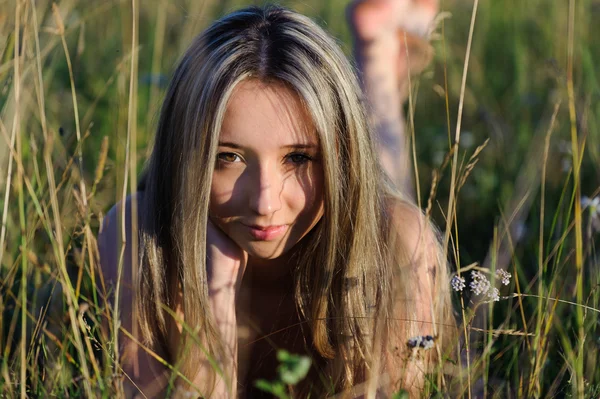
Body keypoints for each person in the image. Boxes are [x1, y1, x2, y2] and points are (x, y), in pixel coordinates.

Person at [98, 5, 453, 398]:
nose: (264, 202)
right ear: (183, 155)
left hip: (378, 218)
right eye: (227, 157)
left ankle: (378, 60)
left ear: (341, 158)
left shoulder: (402, 243)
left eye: (298, 157)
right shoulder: (137, 236)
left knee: (388, 200)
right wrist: (213, 312)